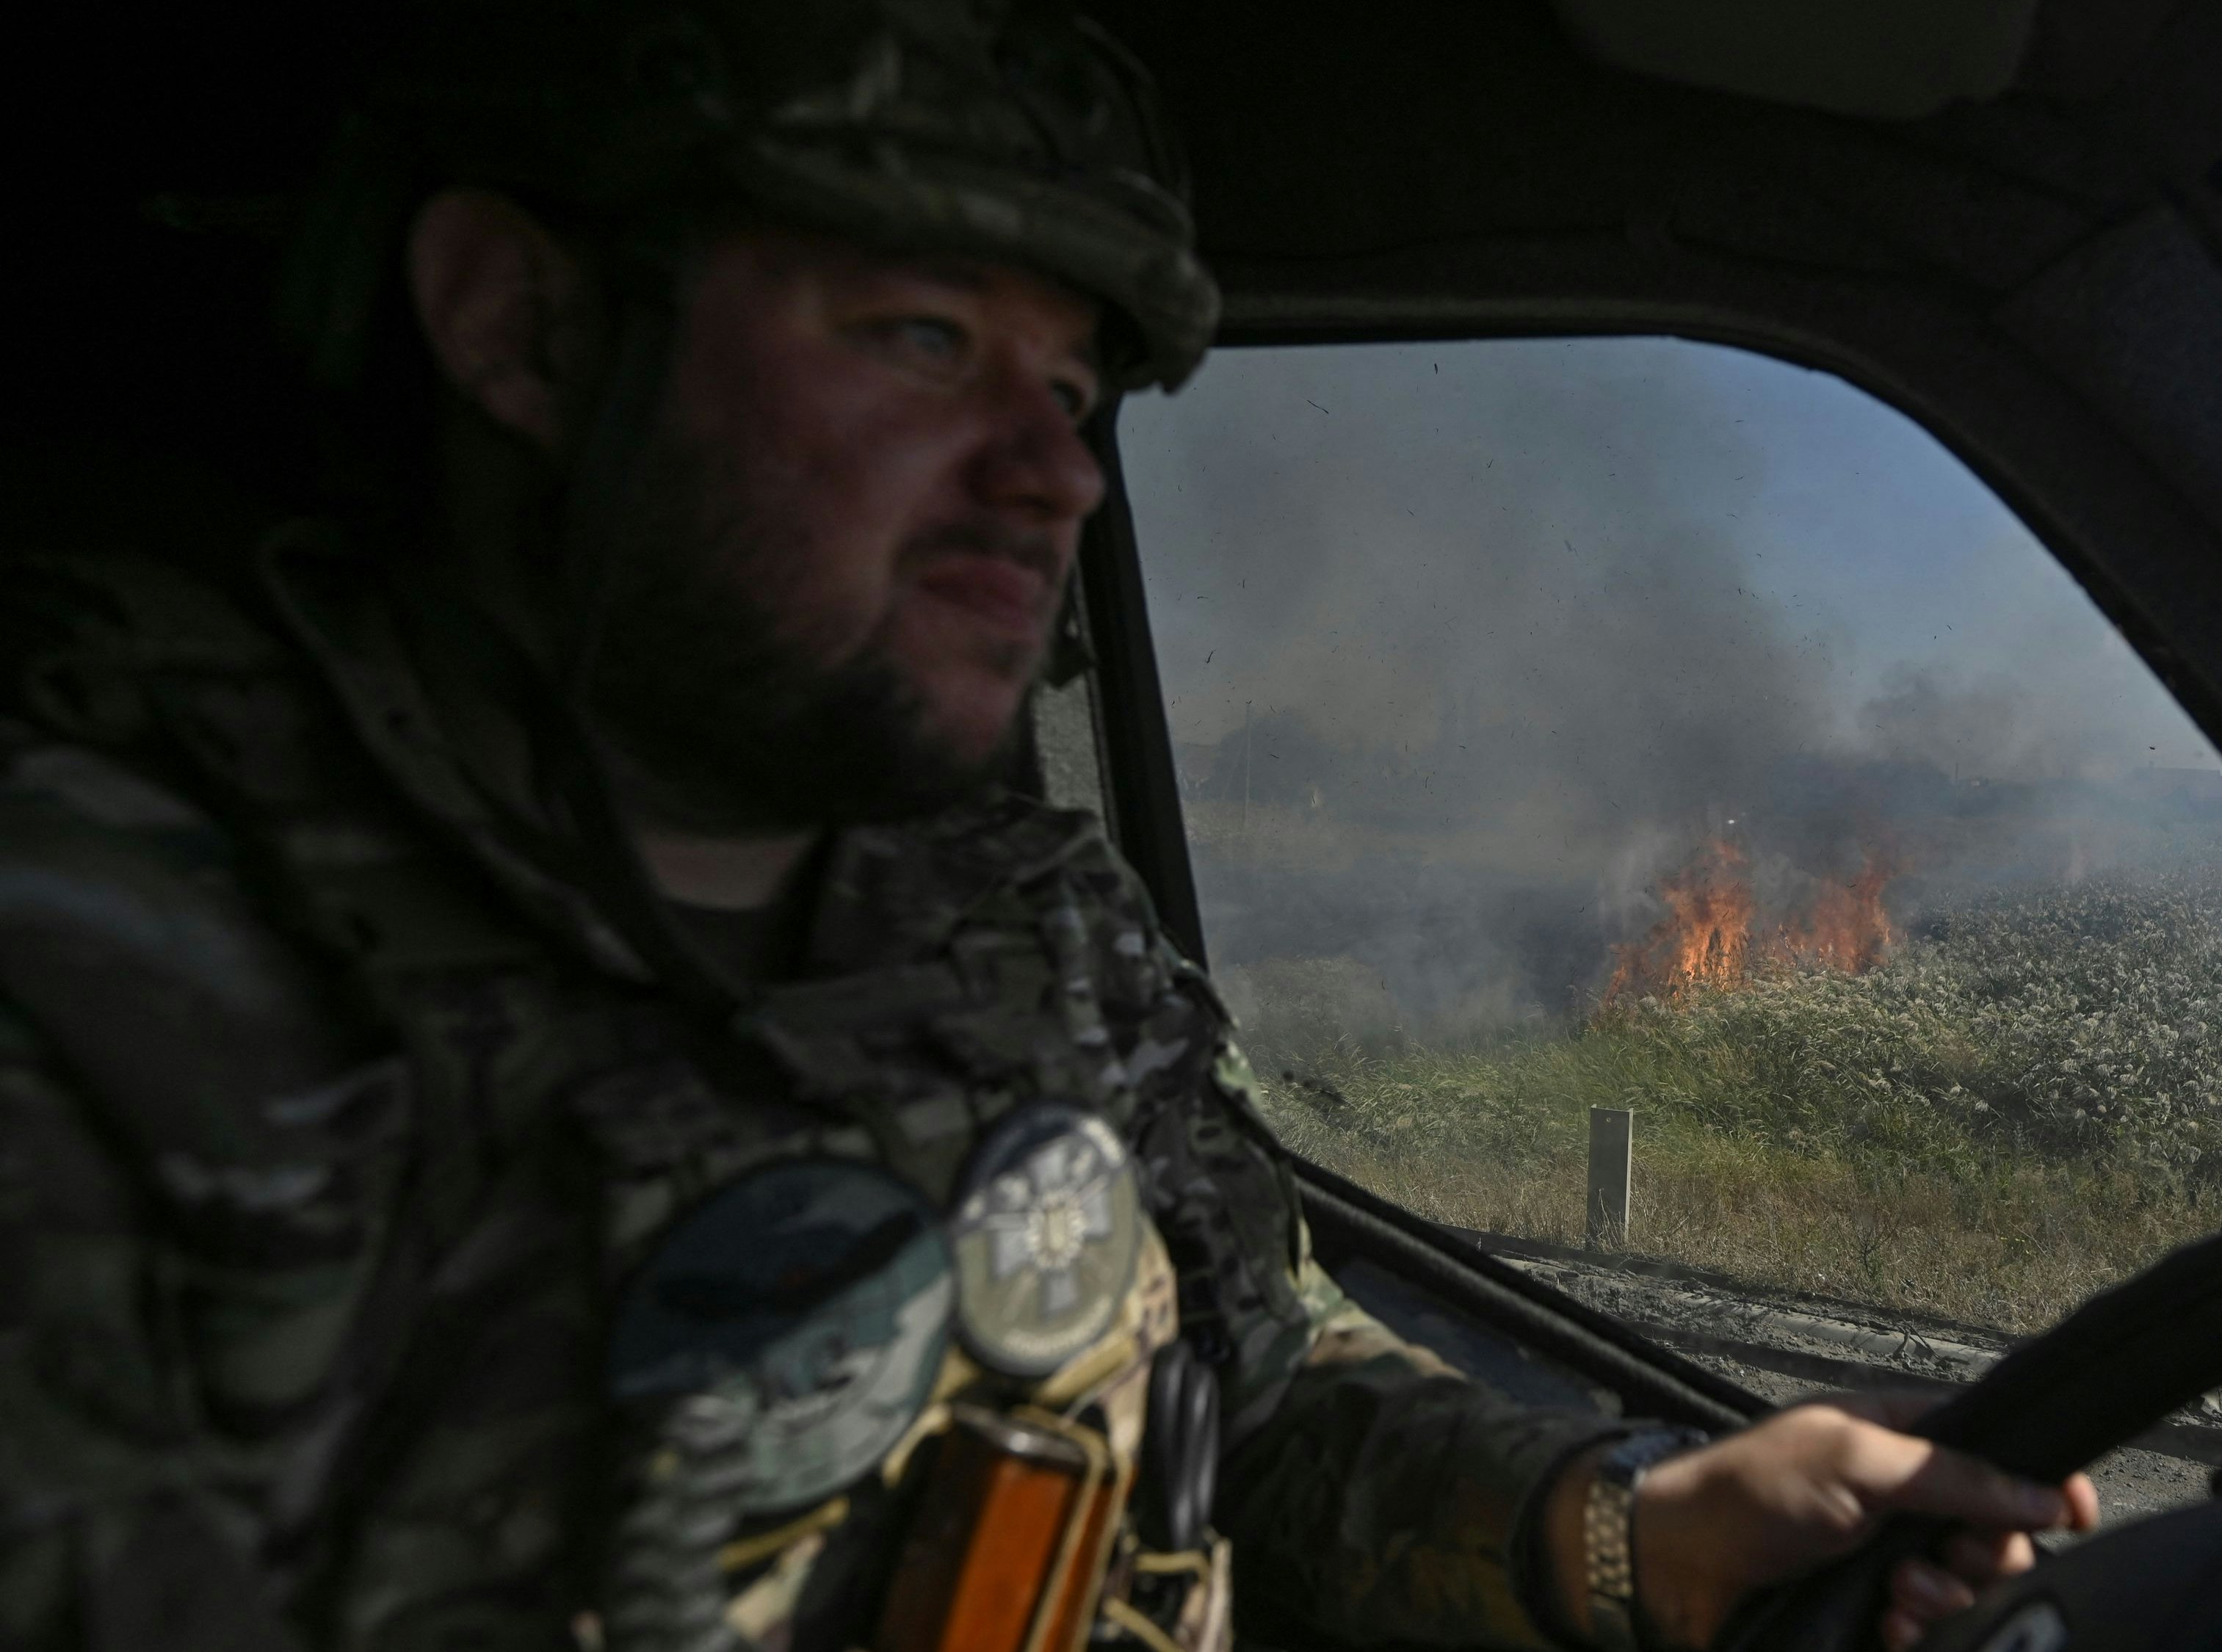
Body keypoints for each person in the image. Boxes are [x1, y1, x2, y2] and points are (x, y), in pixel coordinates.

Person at [0, 1, 2095, 1648]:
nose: (1056, 475)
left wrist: (1635, 1527)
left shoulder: (1025, 922)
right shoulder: (107, 975)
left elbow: (1257, 1399)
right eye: (922, 338)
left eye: (1073, 391)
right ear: (522, 324)